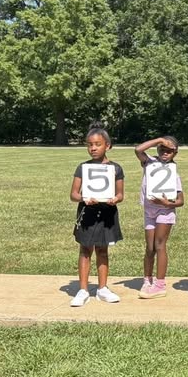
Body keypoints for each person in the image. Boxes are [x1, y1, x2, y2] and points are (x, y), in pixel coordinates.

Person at [70, 123, 125, 307]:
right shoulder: (82, 168)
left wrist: (115, 199)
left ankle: (102, 288)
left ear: (107, 145)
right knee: (85, 250)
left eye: (97, 144)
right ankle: (83, 289)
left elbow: (120, 194)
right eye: (89, 144)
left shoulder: (115, 168)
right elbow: (73, 194)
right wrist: (85, 198)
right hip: (87, 214)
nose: (93, 148)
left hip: (107, 214)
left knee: (103, 249)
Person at [134, 135, 184, 298]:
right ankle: (147, 280)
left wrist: (167, 203)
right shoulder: (149, 162)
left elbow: (180, 201)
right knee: (149, 248)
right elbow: (138, 149)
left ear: (175, 153)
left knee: (160, 244)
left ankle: (160, 283)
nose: (165, 152)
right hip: (149, 211)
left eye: (169, 150)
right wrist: (159, 140)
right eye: (162, 149)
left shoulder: (173, 173)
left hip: (165, 210)